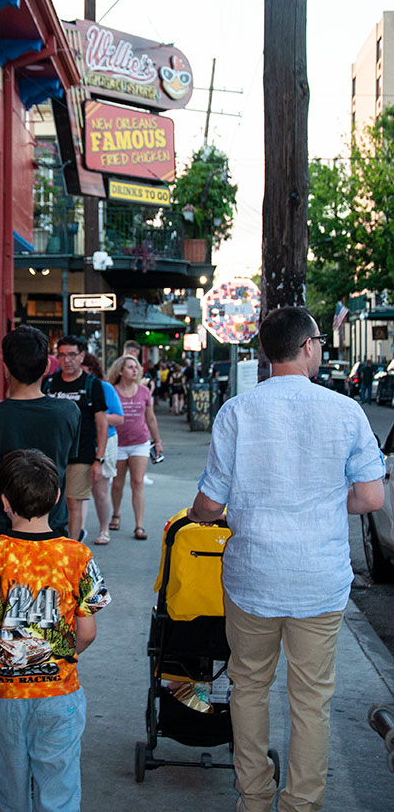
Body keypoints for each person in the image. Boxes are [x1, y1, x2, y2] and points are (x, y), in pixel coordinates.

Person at [186, 306, 384, 812]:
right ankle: (301, 804)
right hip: (318, 580)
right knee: (312, 698)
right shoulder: (345, 411)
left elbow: (211, 503)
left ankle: (253, 798)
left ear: (263, 353)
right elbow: (370, 498)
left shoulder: (237, 412)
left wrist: (201, 516)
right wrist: (317, 498)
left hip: (253, 577)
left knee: (249, 686)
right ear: (309, 346)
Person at [0, 448, 111, 812]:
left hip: (3, 692)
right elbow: (87, 633)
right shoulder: (77, 556)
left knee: (11, 790)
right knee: (60, 786)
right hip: (60, 693)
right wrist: (59, 655)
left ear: (5, 502)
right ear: (57, 497)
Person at [0, 325, 81, 588]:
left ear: (5, 368)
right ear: (46, 368)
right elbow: (70, 482)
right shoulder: (68, 412)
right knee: (50, 618)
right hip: (51, 534)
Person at [43, 336, 108, 541]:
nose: (66, 360)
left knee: (73, 501)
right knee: (48, 501)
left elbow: (102, 423)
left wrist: (98, 459)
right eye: (61, 355)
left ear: (82, 356)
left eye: (72, 354)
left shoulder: (92, 385)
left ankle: (72, 547)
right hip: (50, 454)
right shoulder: (49, 383)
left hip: (81, 454)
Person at [108, 354, 163, 540]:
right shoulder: (112, 391)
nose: (135, 370)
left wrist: (158, 441)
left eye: (136, 367)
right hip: (118, 443)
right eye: (130, 367)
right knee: (117, 483)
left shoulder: (144, 392)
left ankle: (139, 525)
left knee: (138, 482)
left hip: (140, 442)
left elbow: (151, 418)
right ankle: (115, 514)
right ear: (120, 371)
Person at [80, 352, 124, 545]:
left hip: (105, 440)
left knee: (100, 490)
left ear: (92, 369)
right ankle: (78, 531)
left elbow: (119, 418)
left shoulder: (104, 387)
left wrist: (96, 417)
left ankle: (104, 529)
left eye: (84, 370)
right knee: (77, 492)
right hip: (80, 442)